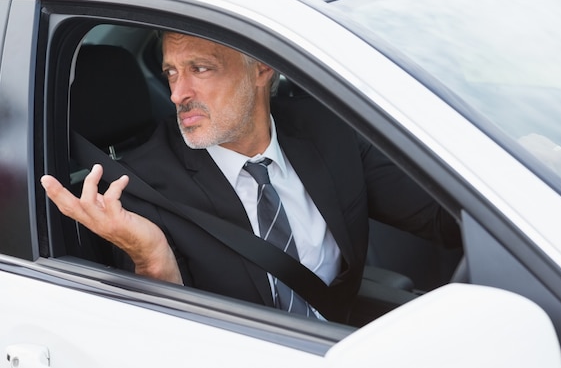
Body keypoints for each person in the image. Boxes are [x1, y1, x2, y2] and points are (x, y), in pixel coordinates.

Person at [40, 32, 460, 323]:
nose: (177, 94)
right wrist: (152, 259)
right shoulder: (138, 190)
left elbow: (445, 216)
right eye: (171, 72)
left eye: (200, 69)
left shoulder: (330, 132)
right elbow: (168, 338)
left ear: (261, 67)